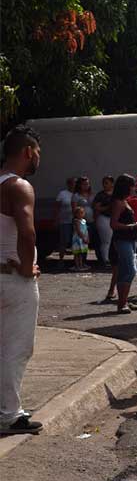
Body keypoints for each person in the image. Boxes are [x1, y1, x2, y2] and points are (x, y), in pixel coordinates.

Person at [0, 125, 43, 435]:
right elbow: (27, 234)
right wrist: (28, 267)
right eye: (38, 152)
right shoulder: (19, 187)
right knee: (16, 347)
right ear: (28, 151)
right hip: (13, 279)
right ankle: (9, 414)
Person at [109, 174, 137, 314]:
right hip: (122, 239)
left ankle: (124, 300)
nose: (134, 188)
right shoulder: (118, 202)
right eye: (132, 185)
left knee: (127, 269)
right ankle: (122, 303)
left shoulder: (124, 200)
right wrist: (130, 226)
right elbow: (114, 224)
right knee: (129, 270)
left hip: (130, 239)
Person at [72, 177, 95, 267]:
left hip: (90, 220)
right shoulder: (76, 196)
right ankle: (78, 263)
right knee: (79, 242)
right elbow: (74, 209)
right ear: (79, 185)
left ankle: (84, 261)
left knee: (87, 242)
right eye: (84, 184)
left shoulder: (91, 195)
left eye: (87, 184)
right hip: (80, 222)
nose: (86, 186)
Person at [93, 175, 114, 269]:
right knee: (106, 240)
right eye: (104, 183)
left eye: (107, 183)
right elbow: (97, 207)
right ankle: (106, 259)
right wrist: (107, 207)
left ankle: (113, 258)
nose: (104, 185)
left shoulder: (116, 194)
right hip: (104, 218)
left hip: (114, 218)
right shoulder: (101, 195)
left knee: (114, 240)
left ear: (112, 183)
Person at [55, 177, 75, 263]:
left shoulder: (78, 194)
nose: (74, 185)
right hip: (65, 221)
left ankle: (77, 261)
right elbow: (57, 207)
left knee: (76, 241)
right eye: (72, 183)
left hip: (77, 222)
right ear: (68, 184)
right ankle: (61, 260)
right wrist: (56, 219)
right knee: (64, 241)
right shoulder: (62, 194)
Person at [70, 206, 90, 272]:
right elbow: (78, 231)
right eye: (79, 213)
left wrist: (87, 238)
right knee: (77, 253)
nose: (80, 214)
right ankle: (77, 265)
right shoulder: (76, 221)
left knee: (81, 253)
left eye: (82, 213)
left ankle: (81, 264)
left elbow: (86, 230)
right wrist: (83, 238)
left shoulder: (84, 221)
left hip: (84, 237)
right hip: (78, 239)